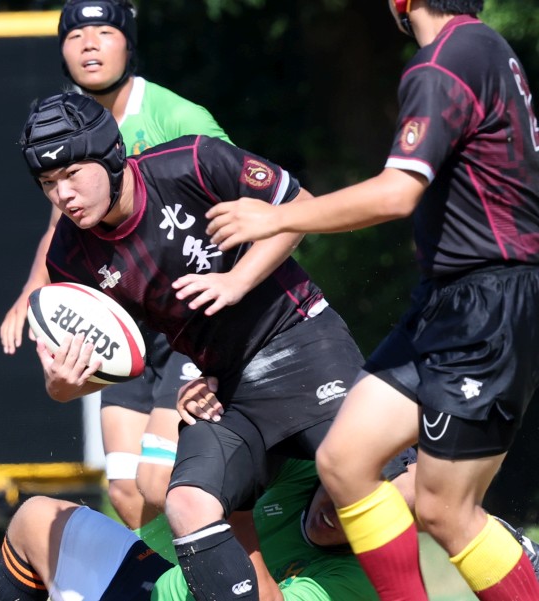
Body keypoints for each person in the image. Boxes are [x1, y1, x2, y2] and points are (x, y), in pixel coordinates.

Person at [205, 1, 539, 599]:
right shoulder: (485, 47)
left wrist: (275, 217)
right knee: (344, 460)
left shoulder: (444, 61)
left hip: (485, 305)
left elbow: (395, 194)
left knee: (445, 511)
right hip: (450, 302)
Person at [18, 91, 366, 601]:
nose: (63, 195)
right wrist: (62, 385)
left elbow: (301, 206)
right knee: (184, 502)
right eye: (49, 183)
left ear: (111, 154)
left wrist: (237, 280)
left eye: (72, 174)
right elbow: (83, 377)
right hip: (226, 389)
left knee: (387, 484)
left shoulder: (192, 162)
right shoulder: (71, 257)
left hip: (303, 345)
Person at [0, 0, 231, 530]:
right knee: (126, 492)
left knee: (161, 479)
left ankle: (237, 561)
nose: (89, 44)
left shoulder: (178, 117)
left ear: (129, 43)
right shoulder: (64, 124)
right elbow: (61, 224)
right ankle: (170, 573)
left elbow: (238, 202)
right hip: (126, 319)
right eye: (75, 35)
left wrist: (229, 287)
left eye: (104, 31)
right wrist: (32, 289)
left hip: (188, 320)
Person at [0, 450, 421, 601]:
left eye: (364, 513)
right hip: (158, 585)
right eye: (345, 492)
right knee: (36, 519)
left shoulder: (363, 580)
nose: (340, 513)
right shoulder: (304, 465)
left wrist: (238, 509)